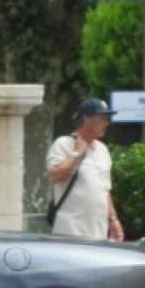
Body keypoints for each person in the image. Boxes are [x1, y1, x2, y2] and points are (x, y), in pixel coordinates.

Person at [45, 98, 123, 242]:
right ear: (86, 118)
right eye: (102, 118)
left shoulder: (102, 150)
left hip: (98, 232)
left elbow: (104, 190)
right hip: (70, 231)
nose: (106, 123)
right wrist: (77, 153)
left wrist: (113, 220)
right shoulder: (63, 144)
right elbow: (55, 176)